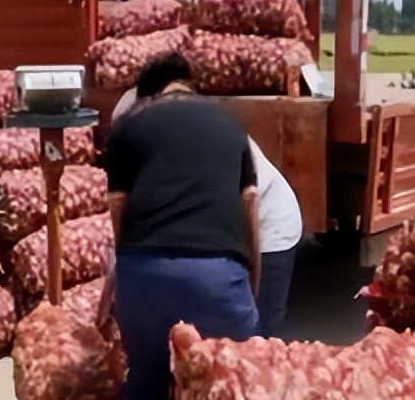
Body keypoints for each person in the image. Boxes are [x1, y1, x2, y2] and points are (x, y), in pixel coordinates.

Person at [103, 53, 261, 400]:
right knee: (236, 384)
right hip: (217, 276)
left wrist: (124, 279)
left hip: (145, 274)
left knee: (145, 382)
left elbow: (118, 211)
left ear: (148, 96)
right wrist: (250, 282)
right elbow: (250, 208)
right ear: (189, 85)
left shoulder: (129, 127)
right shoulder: (232, 125)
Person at [112, 86, 303, 339]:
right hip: (230, 232)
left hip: (269, 224)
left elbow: (246, 206)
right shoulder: (157, 140)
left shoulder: (201, 138)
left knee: (258, 339)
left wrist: (247, 284)